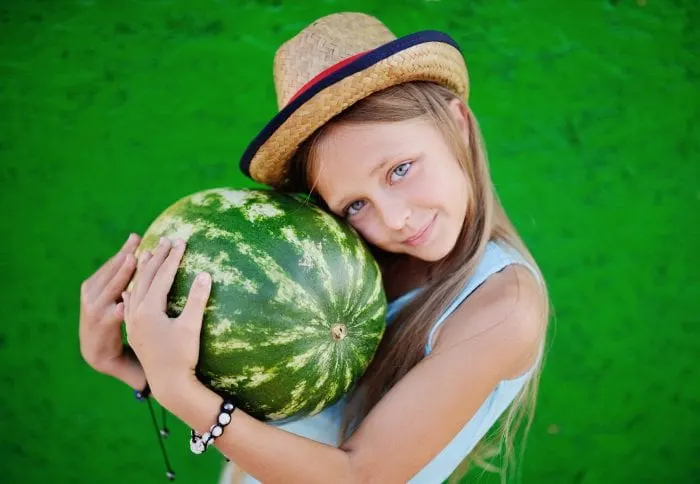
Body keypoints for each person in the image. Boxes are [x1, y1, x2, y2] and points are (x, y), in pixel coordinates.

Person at [79, 12, 550, 484]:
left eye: (400, 169)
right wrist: (128, 366)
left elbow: (358, 475)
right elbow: (276, 417)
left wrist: (177, 389)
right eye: (355, 204)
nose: (393, 219)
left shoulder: (503, 308)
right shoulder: (342, 257)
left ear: (458, 123)